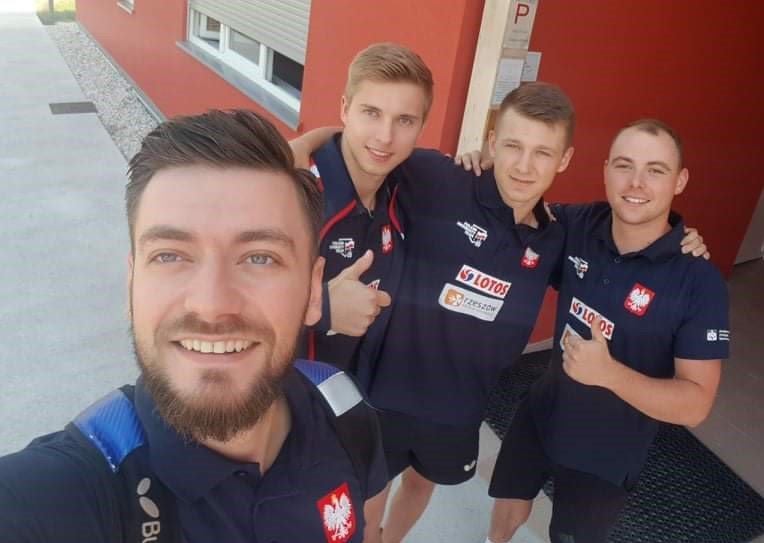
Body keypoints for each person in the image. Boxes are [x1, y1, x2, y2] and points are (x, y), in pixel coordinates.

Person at [296, 80, 708, 543]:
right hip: (383, 394)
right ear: (492, 143)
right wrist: (299, 146)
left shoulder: (559, 235)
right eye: (513, 146)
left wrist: (681, 240)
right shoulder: (439, 177)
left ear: (565, 160)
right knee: (365, 507)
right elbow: (365, 143)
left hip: (459, 411)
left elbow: (623, 241)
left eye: (542, 152)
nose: (524, 166)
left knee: (421, 484)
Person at [0, 110, 386, 543]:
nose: (212, 305)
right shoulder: (59, 493)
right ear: (132, 284)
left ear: (314, 292)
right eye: (169, 255)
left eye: (260, 257)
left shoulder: (343, 410)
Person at [486, 119, 729, 543]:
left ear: (679, 181)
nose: (636, 182)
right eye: (623, 165)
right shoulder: (578, 224)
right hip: (543, 411)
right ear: (605, 171)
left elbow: (696, 404)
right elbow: (512, 210)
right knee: (508, 505)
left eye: (655, 170)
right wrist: (483, 165)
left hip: (607, 452)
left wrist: (609, 374)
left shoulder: (699, 282)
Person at [300, 43, 432, 383]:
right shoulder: (294, 192)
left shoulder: (405, 187)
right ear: (345, 109)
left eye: (404, 120)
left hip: (346, 396)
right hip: (274, 400)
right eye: (371, 113)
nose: (385, 137)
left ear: (422, 127)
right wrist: (323, 310)